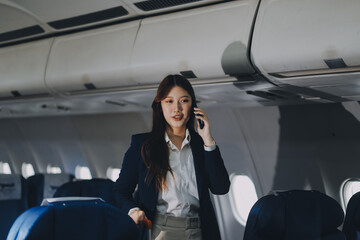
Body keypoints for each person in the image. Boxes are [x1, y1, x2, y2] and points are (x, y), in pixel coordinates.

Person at [113, 74, 230, 240]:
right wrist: (133, 211)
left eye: (183, 101)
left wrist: (208, 140)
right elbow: (120, 191)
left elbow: (221, 188)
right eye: (169, 101)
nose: (177, 109)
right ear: (160, 106)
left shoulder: (201, 145)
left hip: (199, 229)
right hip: (160, 229)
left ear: (193, 105)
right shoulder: (142, 145)